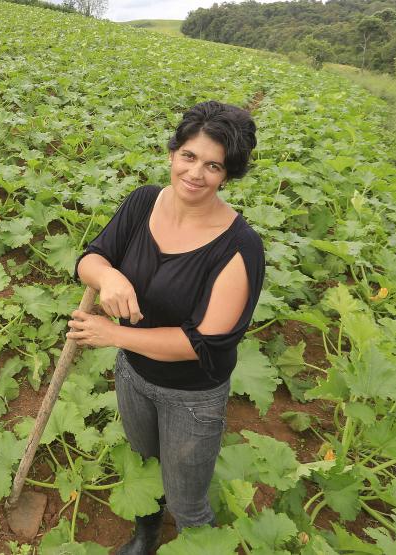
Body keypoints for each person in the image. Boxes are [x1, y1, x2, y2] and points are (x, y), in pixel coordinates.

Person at [68, 101, 265, 554]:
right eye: (189, 156)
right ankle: (147, 534)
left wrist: (113, 334)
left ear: (228, 174)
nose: (196, 173)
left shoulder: (240, 247)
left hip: (191, 396)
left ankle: (197, 541)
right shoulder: (143, 202)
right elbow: (90, 258)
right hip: (133, 376)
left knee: (187, 498)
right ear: (174, 153)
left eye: (213, 165)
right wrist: (108, 275)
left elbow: (205, 344)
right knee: (143, 466)